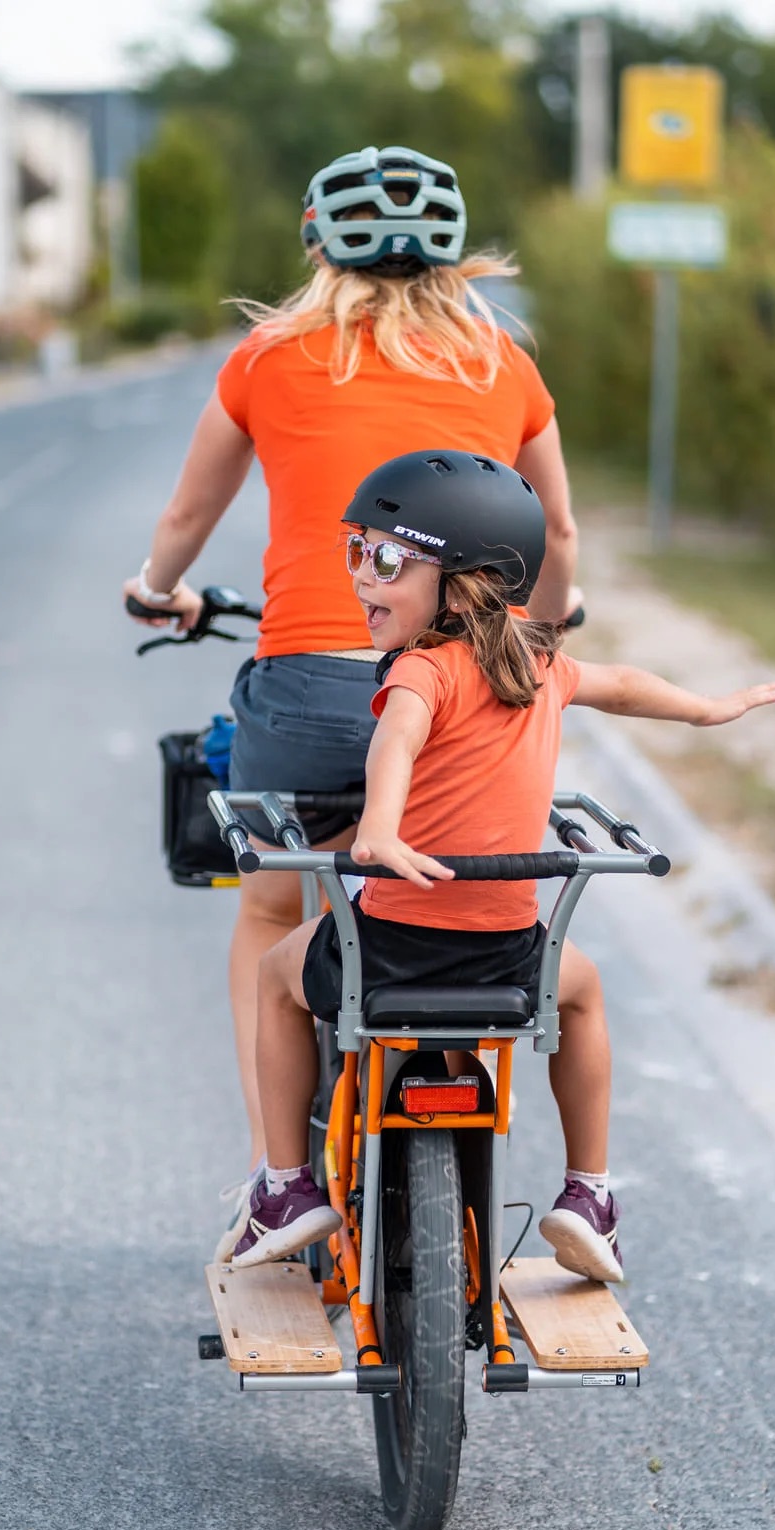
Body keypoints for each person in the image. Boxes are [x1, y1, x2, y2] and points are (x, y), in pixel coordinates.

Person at [123, 145, 582, 1259]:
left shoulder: (268, 356)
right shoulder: (501, 362)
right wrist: (543, 629)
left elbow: (187, 515)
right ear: (456, 256)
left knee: (274, 911)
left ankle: (280, 1180)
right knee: (459, 892)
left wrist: (158, 588)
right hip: (464, 693)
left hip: (310, 693)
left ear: (317, 245)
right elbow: (557, 534)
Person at [229, 449, 775, 1275]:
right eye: (357, 551)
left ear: (461, 585)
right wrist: (707, 709)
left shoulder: (421, 671)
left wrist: (376, 826)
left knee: (276, 976)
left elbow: (395, 741)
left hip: (391, 951)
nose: (362, 577)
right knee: (583, 993)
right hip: (510, 957)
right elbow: (623, 683)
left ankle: (284, 1188)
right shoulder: (541, 665)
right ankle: (589, 1193)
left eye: (387, 560)